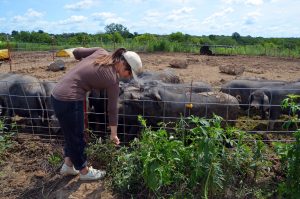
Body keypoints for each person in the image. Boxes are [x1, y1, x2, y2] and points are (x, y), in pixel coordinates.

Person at [51, 47, 142, 181]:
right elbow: (112, 109)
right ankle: (84, 171)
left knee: (71, 133)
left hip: (57, 94)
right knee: (77, 136)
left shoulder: (101, 52)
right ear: (123, 64)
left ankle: (68, 165)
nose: (127, 77)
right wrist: (114, 134)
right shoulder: (112, 79)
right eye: (129, 73)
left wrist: (85, 67)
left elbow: (77, 52)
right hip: (70, 99)